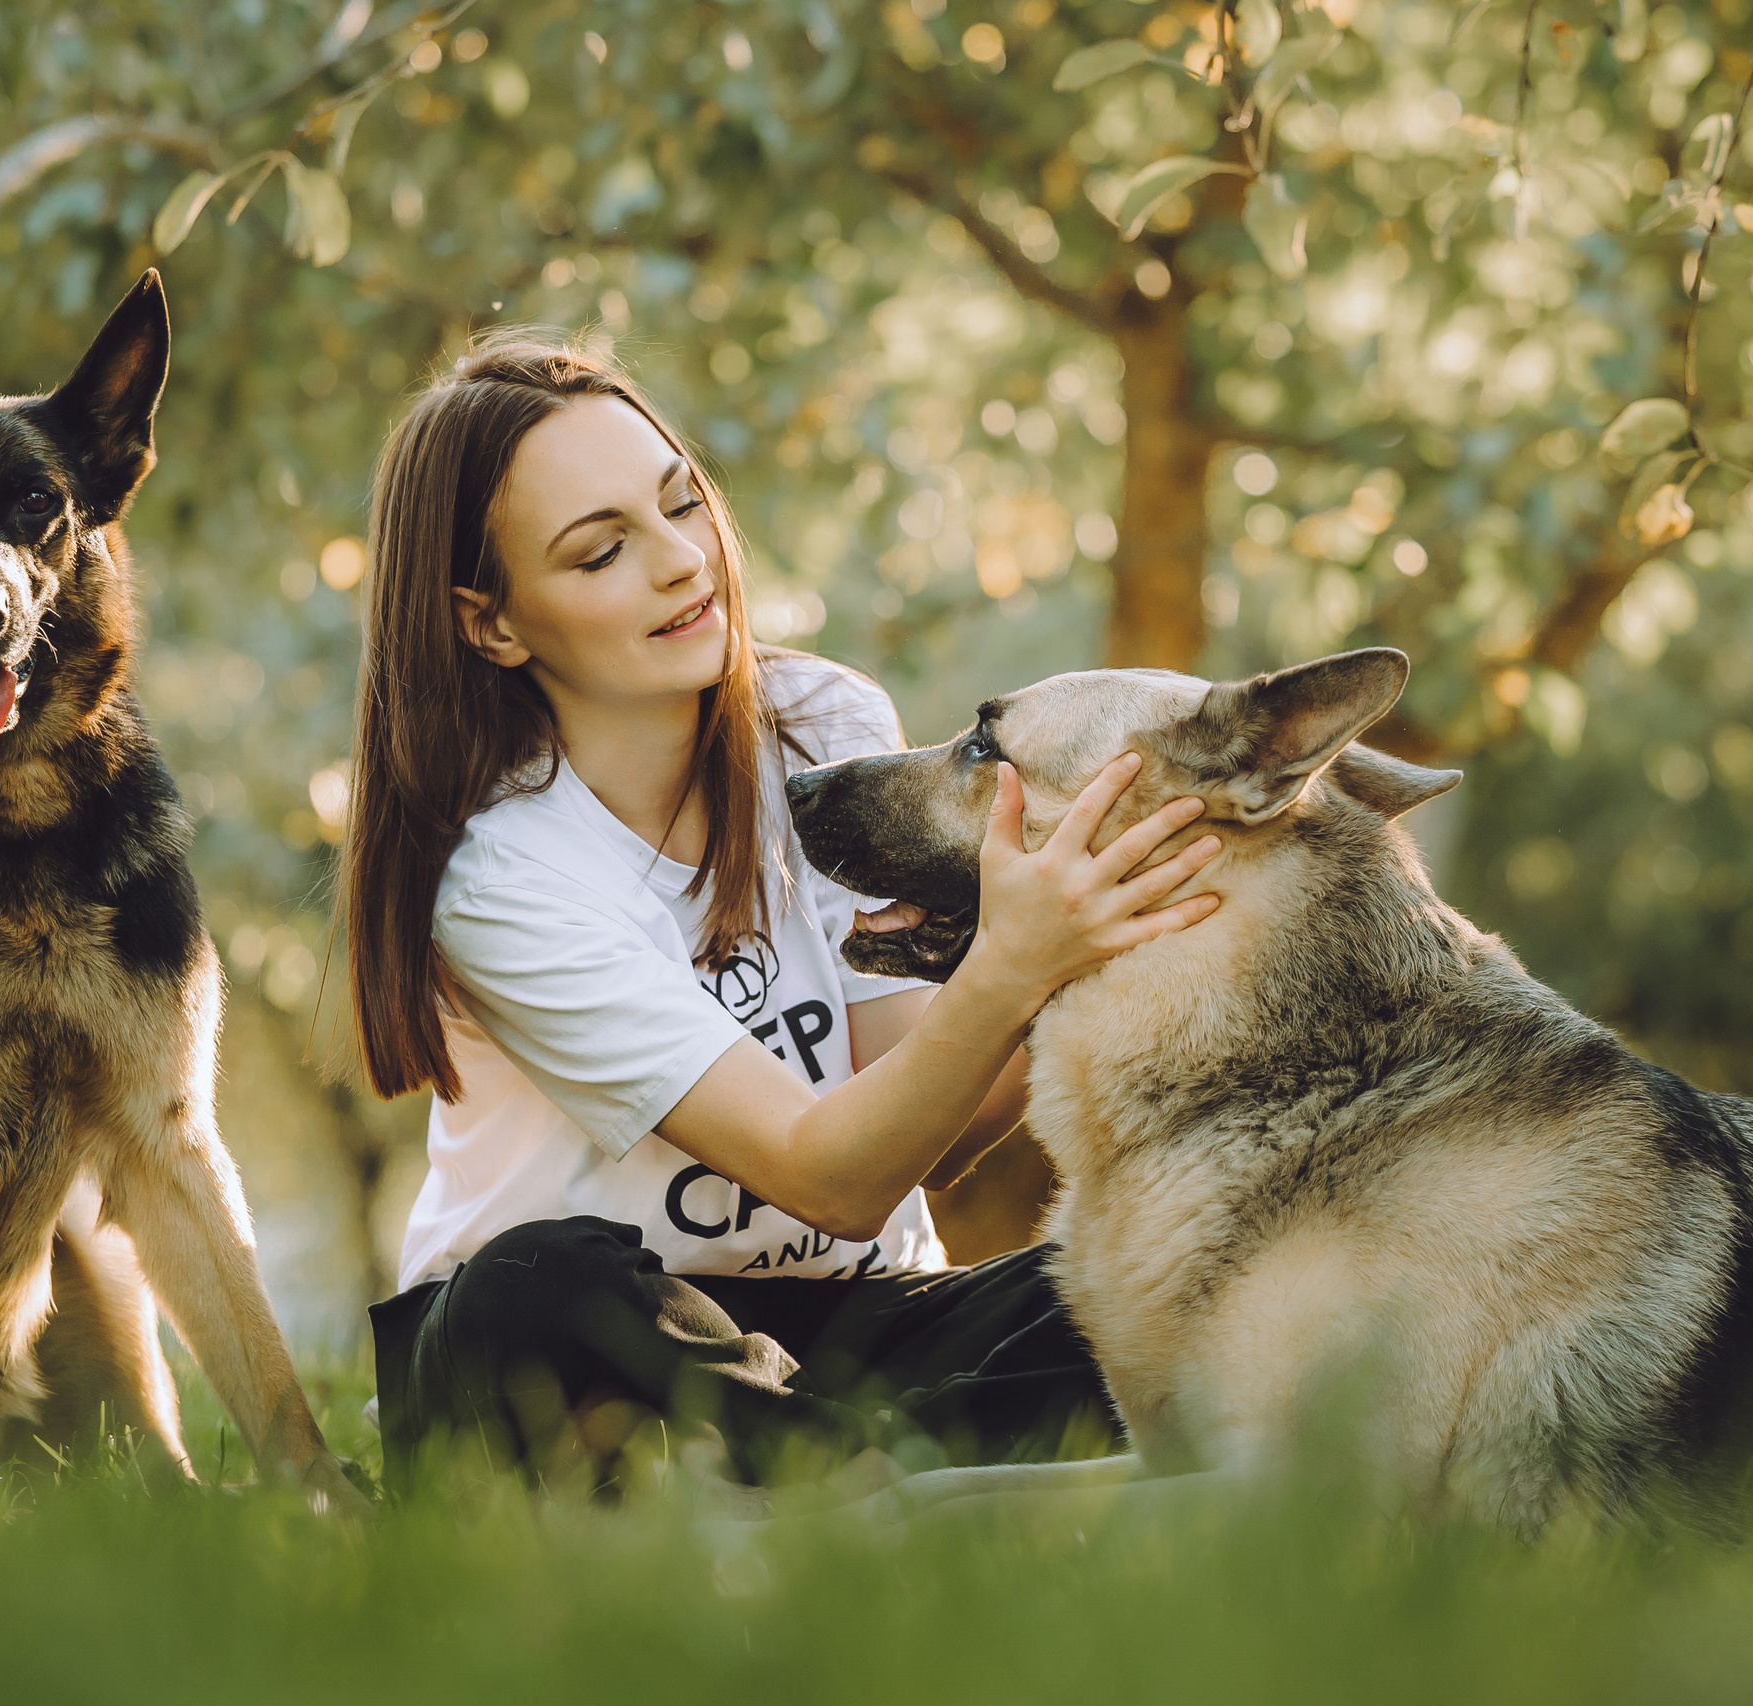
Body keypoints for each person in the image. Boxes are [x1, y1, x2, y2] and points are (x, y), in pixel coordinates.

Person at [342, 332, 1222, 1496]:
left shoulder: (818, 723)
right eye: (602, 550)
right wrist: (1017, 962)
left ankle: (839, 1483)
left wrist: (1101, 930)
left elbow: (929, 1119)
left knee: (1182, 1259)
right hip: (597, 1341)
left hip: (861, 1321)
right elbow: (831, 1177)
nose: (681, 561)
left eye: (680, 503)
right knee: (527, 1287)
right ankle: (890, 1481)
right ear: (491, 622)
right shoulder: (505, 874)